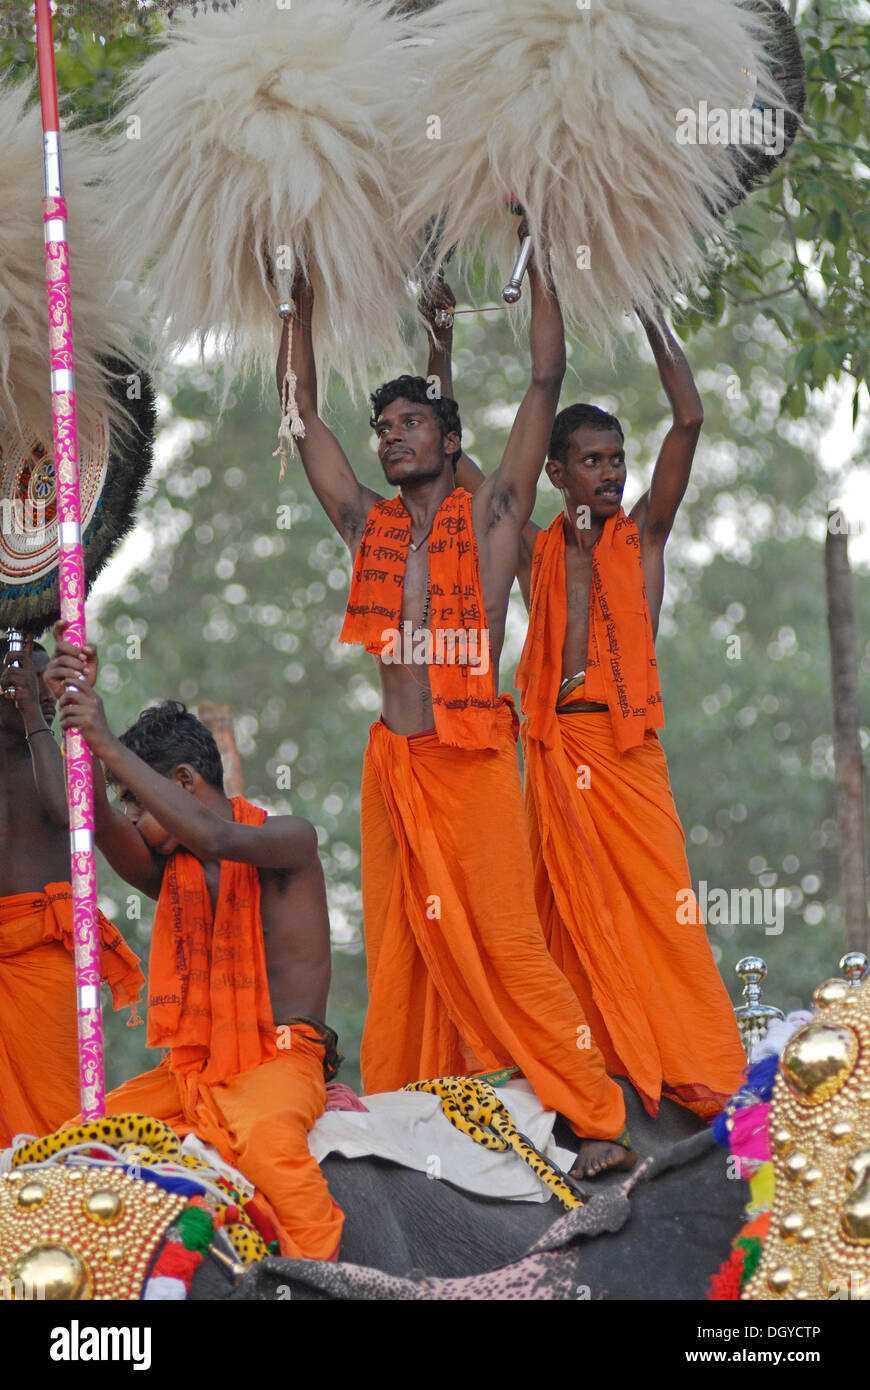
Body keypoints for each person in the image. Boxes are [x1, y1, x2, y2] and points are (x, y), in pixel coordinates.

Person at [276, 233, 635, 1178]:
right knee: (402, 942)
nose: (389, 435)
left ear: (448, 439)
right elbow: (299, 413)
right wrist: (297, 304)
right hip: (394, 763)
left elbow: (545, 377)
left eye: (407, 423)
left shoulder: (497, 517)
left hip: (472, 756)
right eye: (382, 426)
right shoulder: (366, 523)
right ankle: (417, 1105)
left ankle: (597, 1118)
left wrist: (543, 253)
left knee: (511, 945)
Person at [504, 308, 745, 1129]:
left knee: (663, 911)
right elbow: (472, 462)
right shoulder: (535, 547)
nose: (608, 473)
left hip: (626, 750)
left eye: (616, 460)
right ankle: (591, 1073)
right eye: (591, 462)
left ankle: (699, 1070)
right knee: (563, 919)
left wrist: (647, 309)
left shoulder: (643, 536)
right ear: (556, 473)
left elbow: (690, 418)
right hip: (554, 745)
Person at [46, 629, 344, 1259]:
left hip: (283, 1060)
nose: (132, 815)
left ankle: (338, 1280)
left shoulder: (289, 840)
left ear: (182, 781)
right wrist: (68, 711)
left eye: (140, 800)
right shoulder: (168, 869)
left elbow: (215, 836)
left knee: (267, 1146)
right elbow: (96, 817)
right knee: (74, 1145)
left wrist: (107, 743)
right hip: (189, 1072)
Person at [0, 636, 143, 1148]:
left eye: (46, 693)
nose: (34, 698)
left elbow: (69, 813)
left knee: (62, 1126)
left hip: (45, 961)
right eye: (19, 687)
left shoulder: (60, 753)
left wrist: (40, 719)